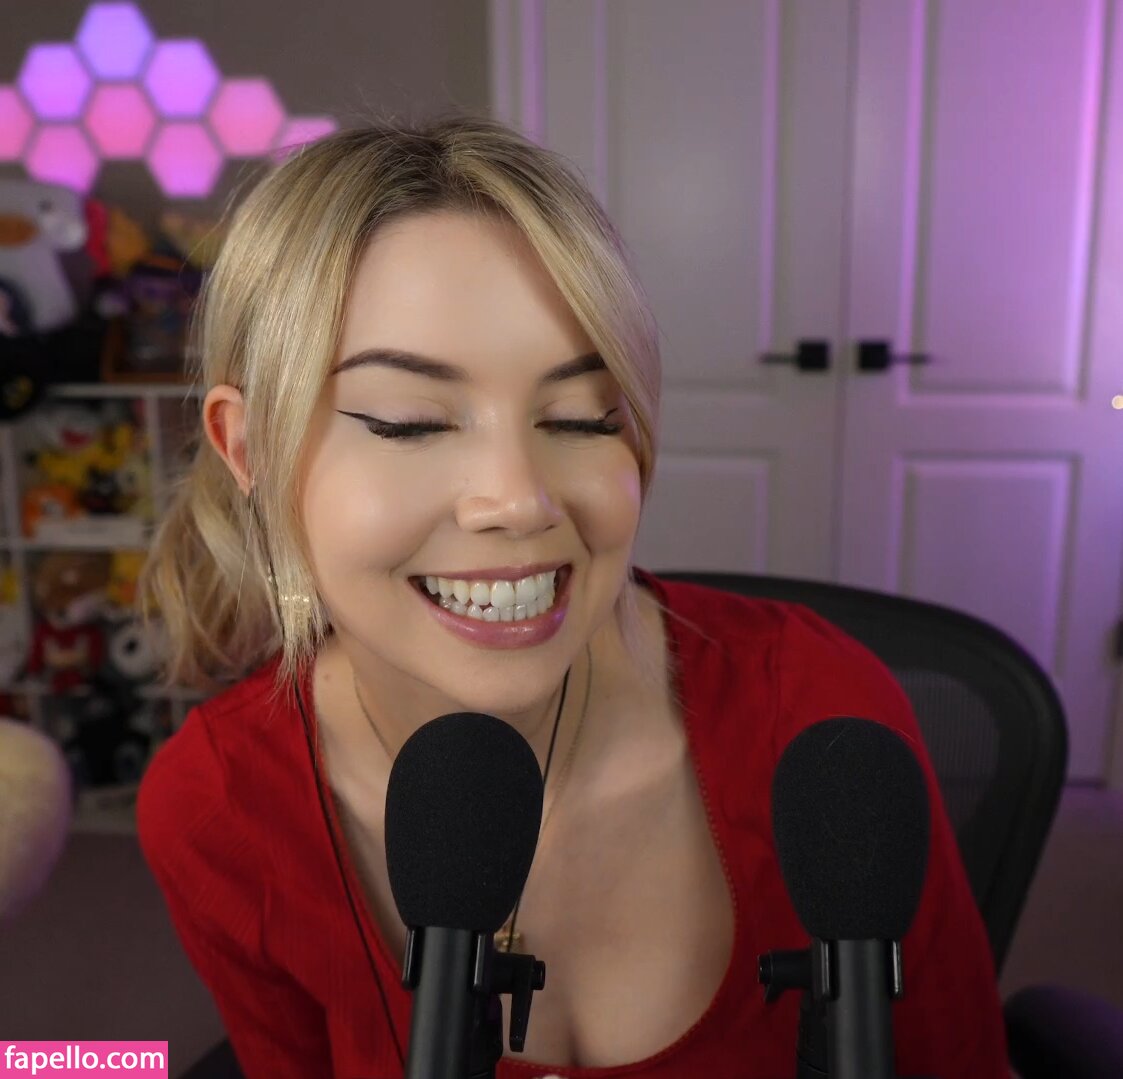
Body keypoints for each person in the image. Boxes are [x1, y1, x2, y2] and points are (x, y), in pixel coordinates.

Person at [136, 114, 1008, 1078]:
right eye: (411, 422)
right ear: (249, 448)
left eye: (582, 417)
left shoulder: (819, 708)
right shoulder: (217, 809)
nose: (518, 499)